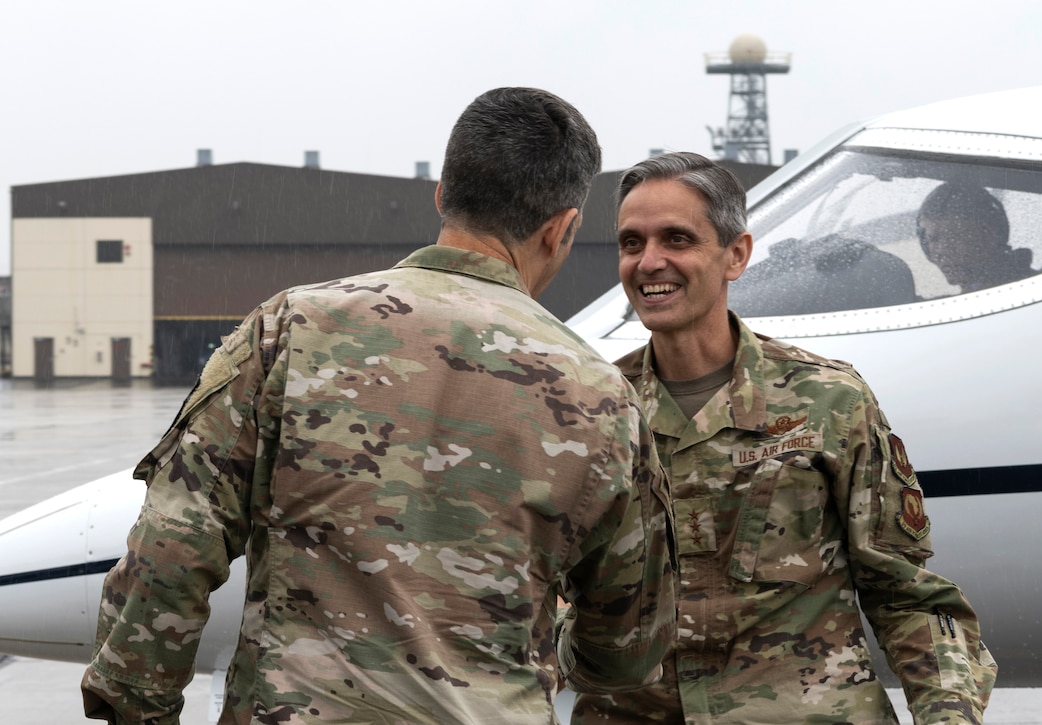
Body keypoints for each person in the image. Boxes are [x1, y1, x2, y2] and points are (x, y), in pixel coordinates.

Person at [81, 87, 677, 725]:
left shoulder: (291, 330)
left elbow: (173, 548)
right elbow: (629, 649)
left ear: (443, 193)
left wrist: (137, 709)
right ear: (562, 228)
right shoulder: (601, 395)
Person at [572, 152, 997, 724]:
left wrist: (949, 715)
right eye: (631, 243)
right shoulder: (589, 412)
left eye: (676, 239)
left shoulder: (828, 401)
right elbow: (545, 600)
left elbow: (906, 596)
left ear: (737, 254)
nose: (650, 262)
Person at [917, 181, 1035, 293]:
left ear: (988, 236)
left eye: (954, 237)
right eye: (934, 239)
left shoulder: (1023, 290)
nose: (941, 250)